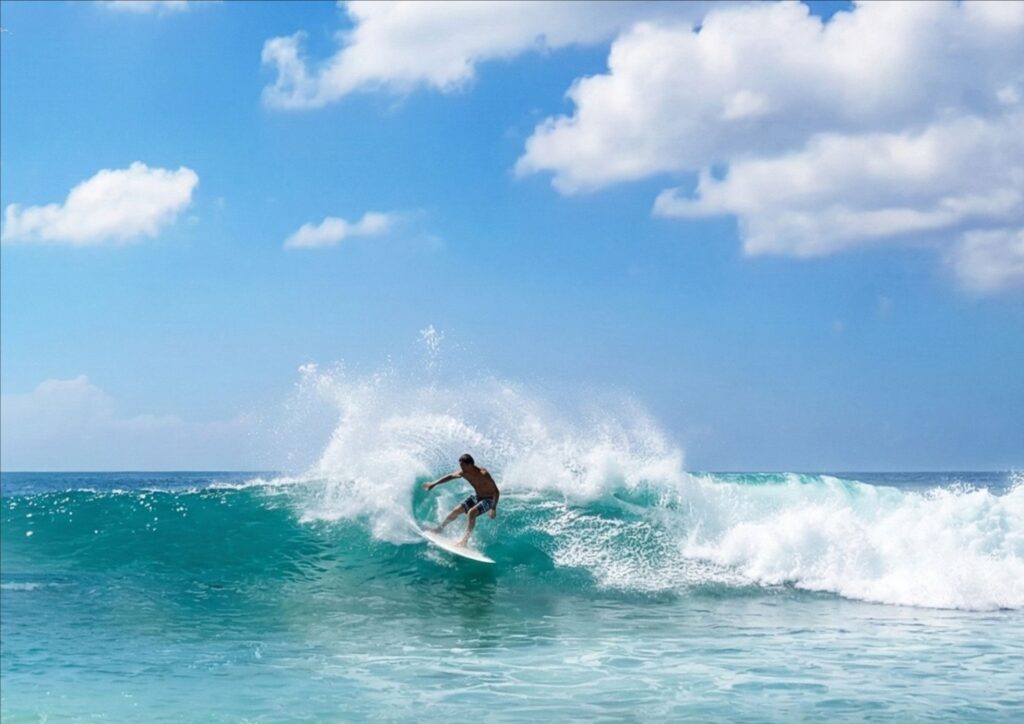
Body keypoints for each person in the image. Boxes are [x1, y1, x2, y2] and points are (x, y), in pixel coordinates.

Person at [423, 453, 500, 546]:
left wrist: (493, 508)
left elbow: (496, 491)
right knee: (456, 510)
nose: (461, 468)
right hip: (477, 496)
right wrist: (433, 484)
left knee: (472, 513)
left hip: (489, 499)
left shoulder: (483, 474)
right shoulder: (464, 473)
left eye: (463, 466)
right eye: (460, 466)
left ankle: (464, 541)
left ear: (470, 464)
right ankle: (439, 529)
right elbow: (450, 476)